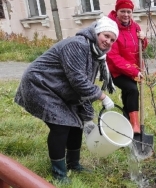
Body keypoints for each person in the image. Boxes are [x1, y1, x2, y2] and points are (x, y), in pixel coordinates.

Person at [14, 16, 119, 183]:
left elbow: (82, 85)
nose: (108, 41)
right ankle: (59, 174)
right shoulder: (78, 45)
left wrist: (86, 117)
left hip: (57, 88)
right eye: (106, 36)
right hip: (39, 84)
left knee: (76, 124)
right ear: (96, 32)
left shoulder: (95, 54)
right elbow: (78, 80)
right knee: (61, 125)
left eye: (112, 40)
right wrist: (102, 96)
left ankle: (73, 164)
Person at [106, 0, 148, 134]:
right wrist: (134, 71)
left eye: (129, 11)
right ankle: (135, 126)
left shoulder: (135, 26)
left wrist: (144, 39)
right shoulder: (111, 28)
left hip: (134, 69)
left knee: (128, 96)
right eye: (122, 11)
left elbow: (141, 48)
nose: (126, 14)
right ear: (116, 11)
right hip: (116, 71)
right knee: (132, 90)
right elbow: (113, 57)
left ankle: (126, 126)